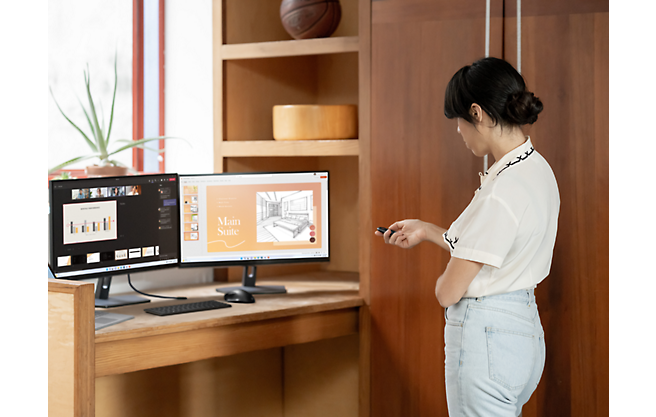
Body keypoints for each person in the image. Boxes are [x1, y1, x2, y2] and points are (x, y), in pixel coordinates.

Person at [375, 57, 560, 417]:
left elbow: (449, 292)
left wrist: (443, 281)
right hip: (523, 335)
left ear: (476, 113)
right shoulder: (537, 169)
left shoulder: (503, 189)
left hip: (487, 338)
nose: (459, 131)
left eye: (459, 121)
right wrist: (428, 231)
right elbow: (495, 250)